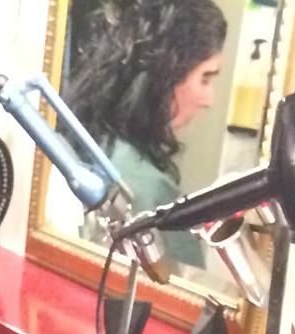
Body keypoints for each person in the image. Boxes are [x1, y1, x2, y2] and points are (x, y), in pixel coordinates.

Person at [69, 0, 228, 267]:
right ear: (166, 73)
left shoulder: (87, 142)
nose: (209, 99)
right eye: (205, 78)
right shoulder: (148, 189)